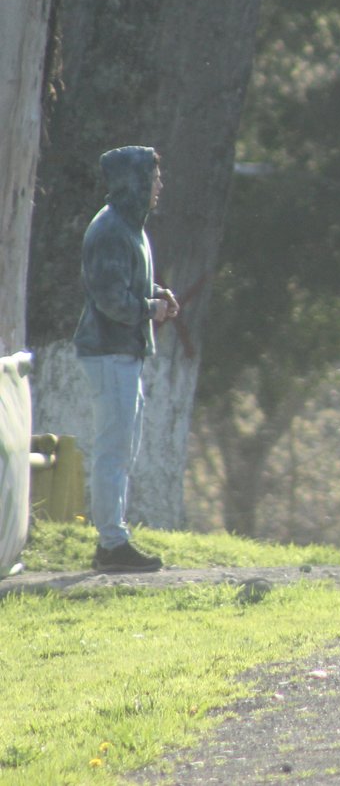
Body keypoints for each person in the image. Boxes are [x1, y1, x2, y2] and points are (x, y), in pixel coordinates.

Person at [74, 146, 179, 574]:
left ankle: (113, 539)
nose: (159, 185)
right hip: (108, 352)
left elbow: (128, 283)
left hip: (123, 353)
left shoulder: (130, 228)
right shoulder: (111, 229)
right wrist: (148, 310)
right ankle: (111, 544)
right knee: (112, 451)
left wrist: (157, 295)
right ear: (135, 182)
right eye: (153, 177)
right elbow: (110, 298)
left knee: (120, 450)